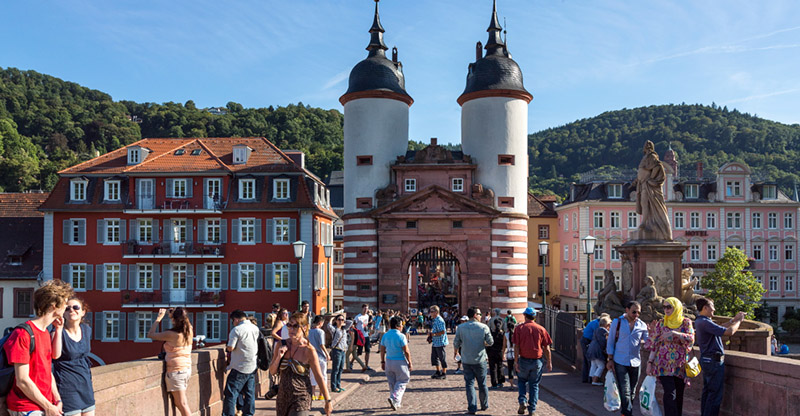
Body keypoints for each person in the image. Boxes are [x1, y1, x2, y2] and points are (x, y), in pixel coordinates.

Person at [4, 280, 73, 416]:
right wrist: (48, 406)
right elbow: (22, 380)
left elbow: (47, 372)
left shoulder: (45, 332)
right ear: (54, 306)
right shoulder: (23, 333)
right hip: (25, 406)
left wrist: (57, 399)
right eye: (65, 303)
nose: (66, 307)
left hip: (42, 404)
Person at [270, 312, 333, 416]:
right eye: (289, 325)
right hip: (283, 398)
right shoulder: (281, 344)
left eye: (295, 326)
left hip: (301, 397)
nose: (291, 329)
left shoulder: (309, 350)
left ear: (304, 327)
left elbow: (319, 376)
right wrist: (279, 357)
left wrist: (328, 400)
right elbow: (272, 371)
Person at [643, 297, 695, 416]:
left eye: (669, 307)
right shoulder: (661, 323)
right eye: (664, 307)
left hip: (680, 364)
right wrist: (649, 363)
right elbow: (654, 344)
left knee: (679, 394)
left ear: (676, 307)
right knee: (669, 393)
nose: (666, 309)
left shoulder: (686, 322)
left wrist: (674, 333)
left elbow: (691, 339)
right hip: (663, 364)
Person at [695, 297, 745, 416]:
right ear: (705, 308)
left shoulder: (701, 321)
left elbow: (721, 328)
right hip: (713, 361)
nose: (714, 309)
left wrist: (733, 319)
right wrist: (739, 321)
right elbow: (729, 332)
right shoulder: (705, 322)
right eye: (712, 306)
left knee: (707, 392)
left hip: (707, 360)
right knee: (714, 394)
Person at [52, 296, 95, 416]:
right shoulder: (56, 332)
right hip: (67, 386)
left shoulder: (86, 329)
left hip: (85, 385)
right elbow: (55, 355)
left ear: (83, 312)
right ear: (63, 313)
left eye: (76, 307)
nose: (72, 310)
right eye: (67, 308)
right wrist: (59, 329)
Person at [147, 307, 194, 416]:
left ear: (174, 319)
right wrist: (175, 314)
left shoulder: (171, 334)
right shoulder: (189, 330)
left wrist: (159, 318)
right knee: (180, 403)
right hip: (186, 368)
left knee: (182, 403)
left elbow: (150, 334)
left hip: (176, 371)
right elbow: (184, 320)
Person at [606, 301, 649, 416]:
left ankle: (625, 412)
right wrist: (610, 359)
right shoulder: (617, 322)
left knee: (632, 391)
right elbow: (610, 341)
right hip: (620, 360)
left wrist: (653, 334)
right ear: (627, 310)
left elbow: (648, 343)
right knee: (625, 390)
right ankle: (627, 414)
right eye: (634, 312)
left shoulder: (642, 325)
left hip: (635, 361)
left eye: (639, 312)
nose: (636, 315)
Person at [453, 307, 493, 415]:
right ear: (475, 315)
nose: (481, 316)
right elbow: (490, 342)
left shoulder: (461, 328)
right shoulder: (484, 327)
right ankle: (484, 405)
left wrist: (456, 352)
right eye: (480, 314)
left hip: (466, 360)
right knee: (482, 384)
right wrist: (484, 343)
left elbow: (456, 343)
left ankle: (472, 407)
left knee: (469, 384)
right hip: (480, 360)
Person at [513, 307, 552, 416]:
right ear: (535, 317)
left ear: (525, 316)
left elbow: (516, 346)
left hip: (524, 359)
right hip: (537, 361)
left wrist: (516, 361)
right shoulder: (541, 329)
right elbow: (547, 348)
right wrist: (549, 362)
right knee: (534, 385)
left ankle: (522, 400)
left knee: (521, 381)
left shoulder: (519, 328)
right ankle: (532, 409)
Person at [222, 310, 260, 416]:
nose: (232, 323)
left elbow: (230, 347)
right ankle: (248, 414)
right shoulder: (255, 328)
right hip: (252, 365)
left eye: (232, 321)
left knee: (230, 393)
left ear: (236, 319)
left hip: (239, 366)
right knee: (249, 393)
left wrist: (227, 347)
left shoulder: (236, 330)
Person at [634, 140, 672, 241]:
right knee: (643, 203)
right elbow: (643, 170)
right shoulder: (645, 157)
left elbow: (658, 166)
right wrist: (638, 179)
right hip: (643, 184)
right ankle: (645, 222)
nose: (647, 146)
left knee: (646, 203)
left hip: (649, 185)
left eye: (648, 145)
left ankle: (645, 223)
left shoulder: (652, 156)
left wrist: (651, 178)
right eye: (646, 145)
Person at [380, 316, 413, 411]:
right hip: (400, 362)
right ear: (399, 326)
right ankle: (395, 397)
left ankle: (396, 402)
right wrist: (410, 362)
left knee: (392, 382)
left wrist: (382, 361)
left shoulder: (385, 335)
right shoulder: (401, 336)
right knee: (403, 380)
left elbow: (382, 349)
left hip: (389, 361)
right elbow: (406, 351)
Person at [308, 315, 330, 401]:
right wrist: (327, 354)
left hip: (312, 357)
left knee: (312, 375)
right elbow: (322, 344)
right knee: (322, 375)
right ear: (320, 323)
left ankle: (313, 394)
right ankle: (321, 394)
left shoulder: (309, 331)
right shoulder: (320, 332)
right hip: (320, 356)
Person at [586, 315, 611, 386]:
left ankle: (591, 378)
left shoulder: (596, 329)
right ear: (607, 324)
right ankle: (595, 380)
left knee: (593, 365)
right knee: (601, 366)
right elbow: (603, 342)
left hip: (591, 349)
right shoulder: (604, 331)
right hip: (597, 350)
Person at [327, 314, 349, 393]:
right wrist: (332, 318)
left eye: (342, 320)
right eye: (339, 319)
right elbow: (328, 326)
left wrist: (344, 320)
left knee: (340, 369)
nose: (341, 321)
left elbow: (351, 322)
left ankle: (338, 384)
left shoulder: (344, 330)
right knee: (335, 369)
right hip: (336, 350)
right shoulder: (335, 330)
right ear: (336, 321)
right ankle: (334, 386)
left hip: (343, 350)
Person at [428, 305, 449, 380]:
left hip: (440, 342)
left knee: (442, 357)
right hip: (435, 342)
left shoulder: (439, 320)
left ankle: (444, 373)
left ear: (436, 312)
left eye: (432, 312)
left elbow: (443, 331)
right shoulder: (435, 319)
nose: (430, 313)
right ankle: (438, 371)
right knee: (434, 358)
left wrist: (434, 334)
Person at [487, 318, 506, 389]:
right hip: (499, 352)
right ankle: (500, 382)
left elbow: (488, 344)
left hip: (491, 352)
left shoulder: (491, 333)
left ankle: (494, 383)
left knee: (492, 368)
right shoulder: (502, 334)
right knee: (500, 367)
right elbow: (504, 345)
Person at [353, 304, 373, 371]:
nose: (365, 310)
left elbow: (367, 324)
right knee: (359, 352)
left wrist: (370, 330)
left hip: (366, 335)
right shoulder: (358, 317)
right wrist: (356, 333)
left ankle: (366, 365)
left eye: (367, 309)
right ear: (362, 308)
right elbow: (353, 325)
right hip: (360, 336)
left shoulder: (367, 316)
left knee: (368, 351)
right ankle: (351, 362)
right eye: (364, 308)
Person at [503, 320, 516, 388]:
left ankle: (511, 385)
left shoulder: (506, 335)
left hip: (509, 354)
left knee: (510, 370)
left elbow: (504, 346)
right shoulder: (516, 334)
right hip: (516, 354)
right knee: (517, 369)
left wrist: (502, 354)